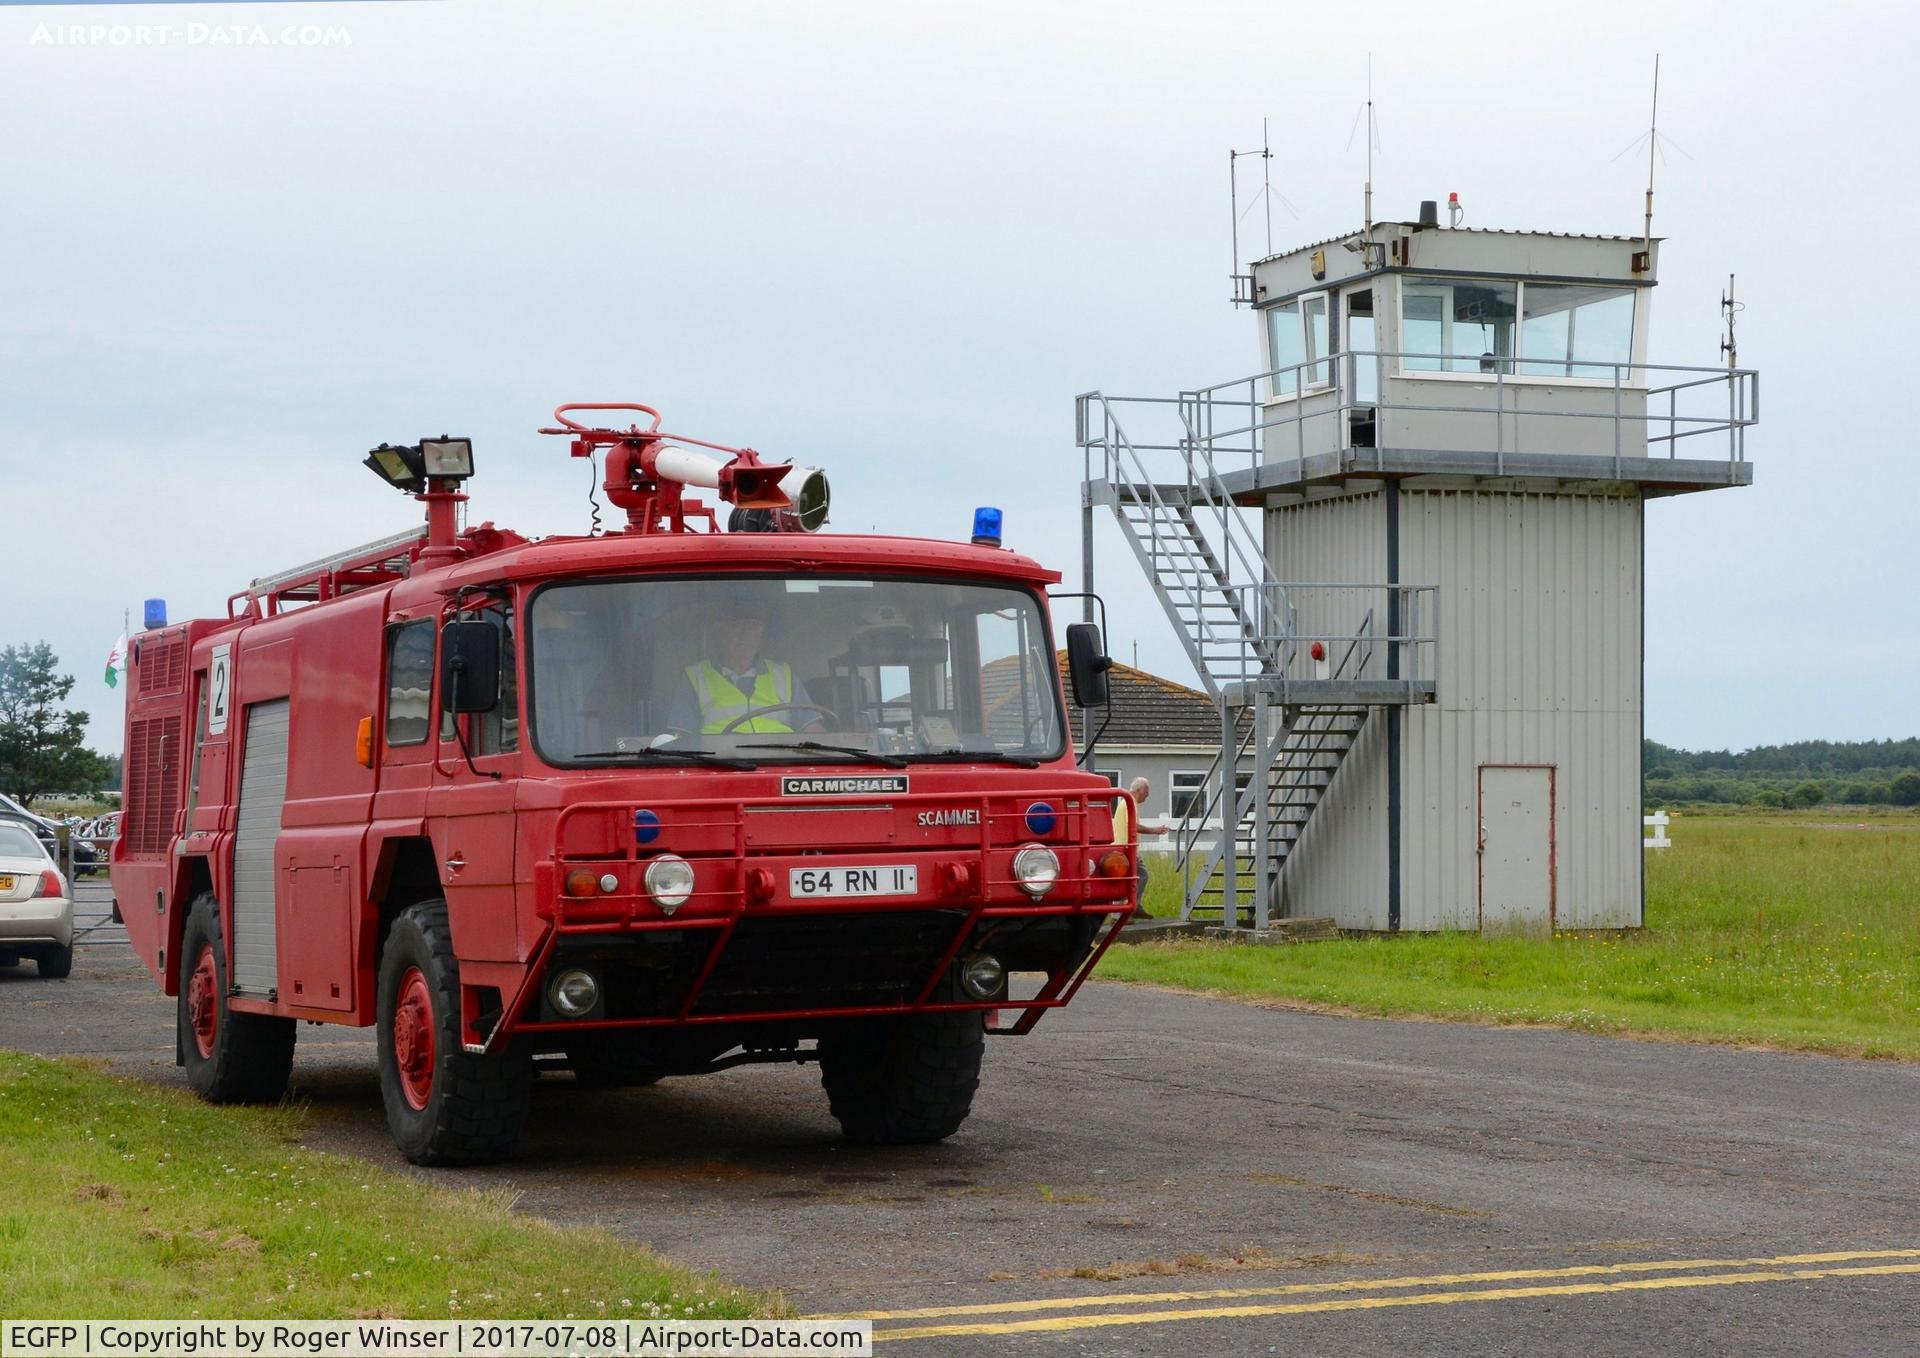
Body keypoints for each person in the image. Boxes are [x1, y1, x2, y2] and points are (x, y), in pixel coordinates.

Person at [667, 597, 808, 736]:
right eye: (735, 627)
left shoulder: (784, 675)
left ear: (761, 633)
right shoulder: (695, 677)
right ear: (719, 633)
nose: (745, 635)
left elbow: (812, 729)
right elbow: (682, 738)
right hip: (717, 758)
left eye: (752, 627)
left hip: (784, 758)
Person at [1115, 775, 1170, 918]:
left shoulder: (1127, 802)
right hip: (1126, 847)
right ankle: (1125, 911)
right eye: (1147, 790)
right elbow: (1132, 826)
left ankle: (1132, 907)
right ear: (1139, 790)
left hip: (1125, 847)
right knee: (1139, 876)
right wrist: (1154, 830)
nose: (1148, 794)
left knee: (1134, 877)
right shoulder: (1129, 802)